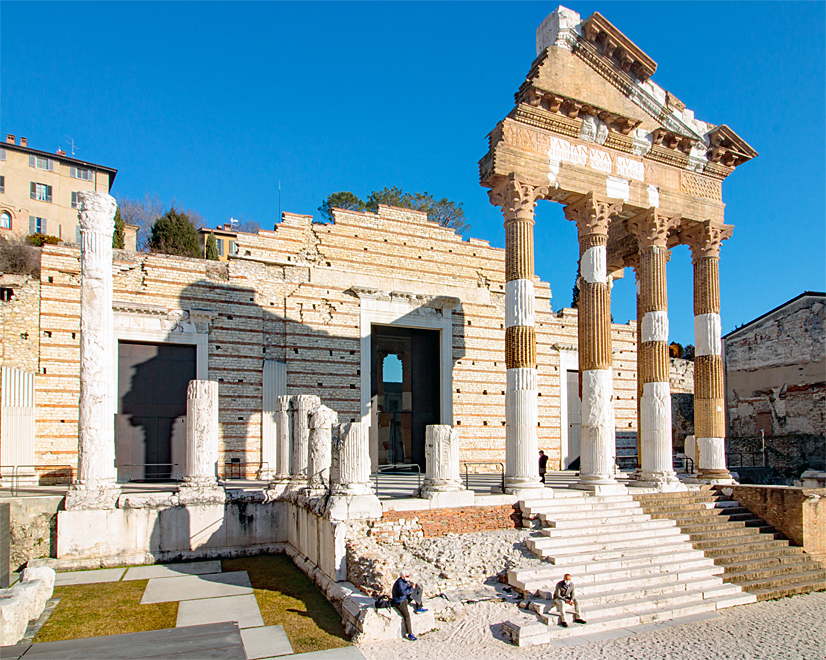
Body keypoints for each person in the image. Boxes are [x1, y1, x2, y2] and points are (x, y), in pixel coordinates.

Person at [391, 570, 427, 640]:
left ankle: (419, 607)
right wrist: (412, 588)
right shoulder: (399, 583)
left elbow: (408, 588)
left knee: (417, 592)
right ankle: (409, 633)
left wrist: (414, 587)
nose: (408, 577)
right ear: (402, 577)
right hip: (400, 601)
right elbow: (403, 592)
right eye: (407, 576)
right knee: (407, 616)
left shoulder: (404, 581)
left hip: (404, 598)